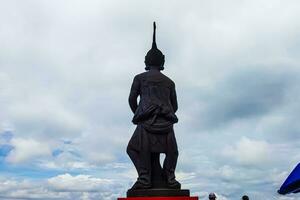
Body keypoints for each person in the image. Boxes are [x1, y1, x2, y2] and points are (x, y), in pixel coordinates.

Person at [127, 22, 180, 190]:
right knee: (172, 153)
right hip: (166, 125)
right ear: (162, 62)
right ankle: (169, 176)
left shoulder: (140, 78)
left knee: (133, 149)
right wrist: (163, 113)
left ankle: (144, 177)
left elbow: (131, 99)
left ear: (146, 61)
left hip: (145, 125)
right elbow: (175, 106)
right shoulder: (170, 82)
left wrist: (141, 113)